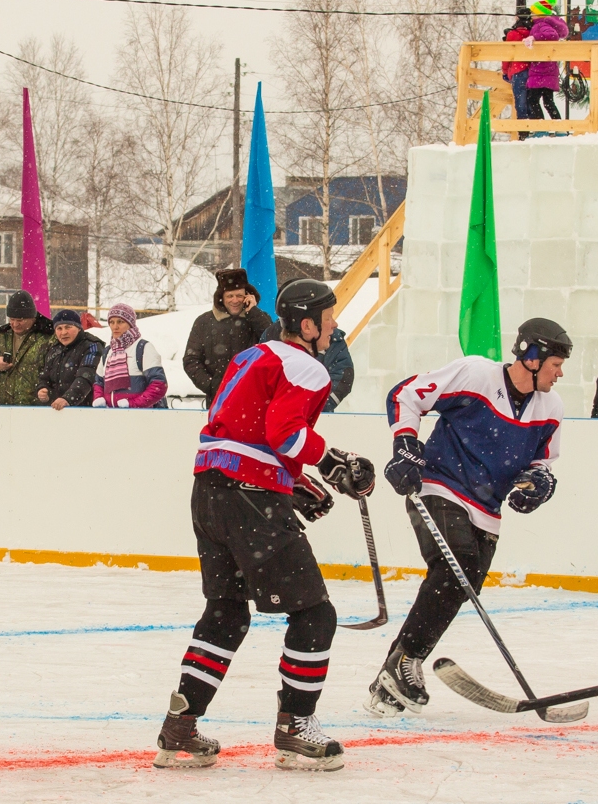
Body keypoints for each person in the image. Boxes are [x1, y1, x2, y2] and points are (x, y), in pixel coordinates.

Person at [153, 278, 373, 772]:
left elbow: (245, 429)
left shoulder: (251, 355)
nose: (335, 325)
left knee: (227, 613)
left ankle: (179, 728)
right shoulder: (307, 367)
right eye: (329, 316)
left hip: (209, 493)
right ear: (307, 324)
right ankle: (296, 726)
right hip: (248, 499)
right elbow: (285, 431)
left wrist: (290, 481)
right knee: (316, 615)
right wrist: (333, 462)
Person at [368, 319, 568, 717]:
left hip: (488, 510)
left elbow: (542, 460)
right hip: (439, 486)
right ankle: (405, 663)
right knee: (456, 565)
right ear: (531, 358)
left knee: (462, 585)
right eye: (555, 364)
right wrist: (406, 445)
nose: (560, 373)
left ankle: (393, 674)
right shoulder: (476, 374)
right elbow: (404, 395)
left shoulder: (551, 407)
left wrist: (537, 482)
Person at [182, 268, 272, 398]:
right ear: (221, 298)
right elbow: (191, 360)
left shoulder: (260, 318)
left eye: (239, 295)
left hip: (255, 398)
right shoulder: (204, 322)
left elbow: (274, 345)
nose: (235, 300)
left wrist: (254, 312)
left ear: (247, 296)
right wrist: (213, 386)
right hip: (218, 399)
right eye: (230, 296)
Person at [0, 290, 54, 406]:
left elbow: (59, 371)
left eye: (20, 320)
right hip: (3, 410)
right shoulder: (1, 337)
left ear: (33, 318)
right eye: (12, 319)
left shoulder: (48, 338)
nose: (15, 324)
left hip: (35, 411)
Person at [93, 303, 168, 408]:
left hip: (141, 417)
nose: (115, 326)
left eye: (120, 322)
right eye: (111, 322)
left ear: (131, 324)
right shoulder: (108, 351)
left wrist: (133, 404)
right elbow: (98, 382)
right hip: (112, 417)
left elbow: (159, 385)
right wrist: (99, 398)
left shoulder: (143, 348)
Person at [37, 309, 104, 409]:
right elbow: (44, 377)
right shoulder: (54, 349)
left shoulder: (92, 346)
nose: (63, 332)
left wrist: (68, 399)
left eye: (68, 327)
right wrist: (42, 389)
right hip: (56, 411)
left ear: (79, 328)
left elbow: (86, 377)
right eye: (59, 328)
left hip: (84, 411)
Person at [523, 0, 569, 134]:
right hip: (548, 69)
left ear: (539, 14)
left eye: (533, 12)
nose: (531, 15)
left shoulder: (540, 24)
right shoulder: (543, 23)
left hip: (540, 70)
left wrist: (534, 38)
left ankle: (540, 128)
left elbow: (552, 35)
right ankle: (560, 129)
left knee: (532, 99)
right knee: (548, 102)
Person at [502, 6, 533, 128]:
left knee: (520, 103)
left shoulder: (512, 34)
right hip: (532, 71)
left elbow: (507, 55)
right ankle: (535, 128)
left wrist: (505, 71)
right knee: (532, 102)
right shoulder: (533, 34)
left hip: (518, 70)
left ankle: (523, 130)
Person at [321, 326, 355, 410]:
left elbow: (345, 378)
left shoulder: (335, 339)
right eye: (327, 318)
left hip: (321, 418)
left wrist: (320, 405)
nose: (334, 323)